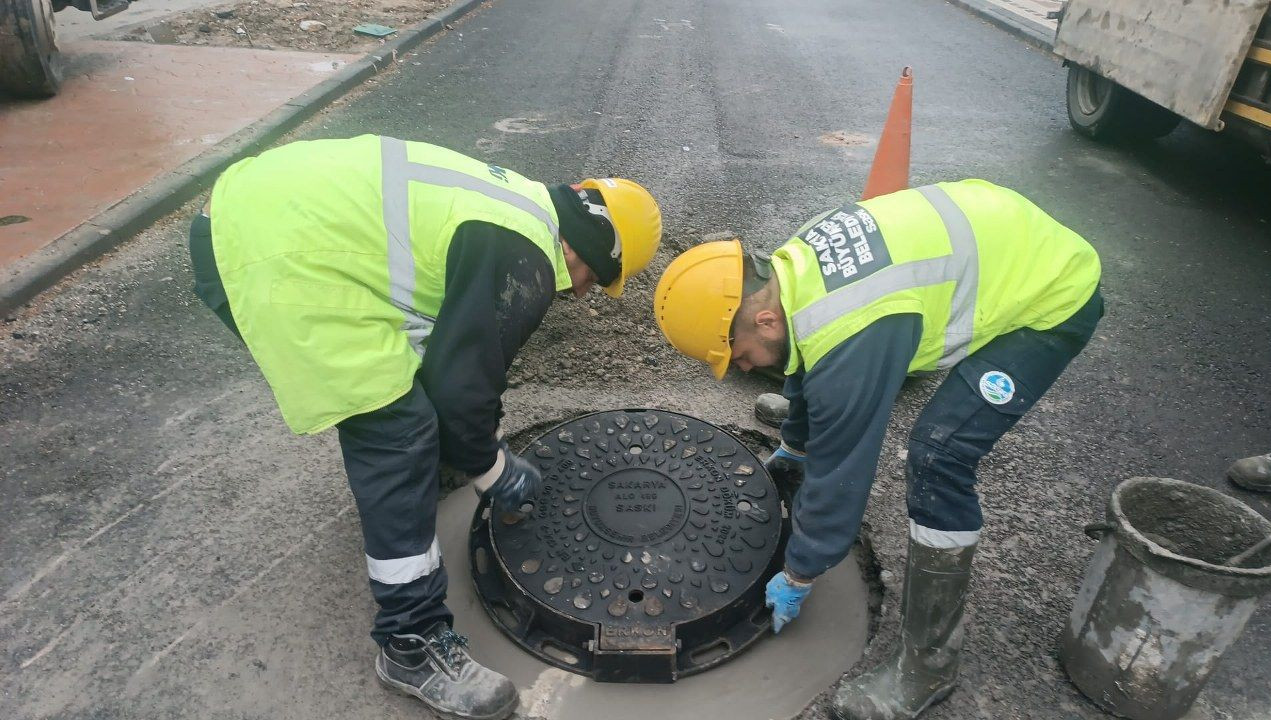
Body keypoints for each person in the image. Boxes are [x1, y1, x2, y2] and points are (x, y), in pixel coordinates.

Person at [188, 135, 661, 720]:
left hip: (258, 214)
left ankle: (423, 484)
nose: (582, 294)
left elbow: (449, 357)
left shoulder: (517, 201)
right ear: (586, 256)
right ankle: (409, 642)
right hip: (273, 257)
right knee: (396, 431)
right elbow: (464, 391)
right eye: (595, 282)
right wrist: (491, 469)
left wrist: (466, 443)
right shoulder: (527, 257)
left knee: (413, 380)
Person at [652, 179, 1101, 720]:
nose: (742, 369)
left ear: (763, 318)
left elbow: (845, 470)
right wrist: (794, 447)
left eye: (737, 354)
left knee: (939, 458)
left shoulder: (852, 341)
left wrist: (799, 572)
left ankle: (928, 665)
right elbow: (804, 357)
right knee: (826, 385)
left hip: (1052, 295)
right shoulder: (789, 271)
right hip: (1001, 236)